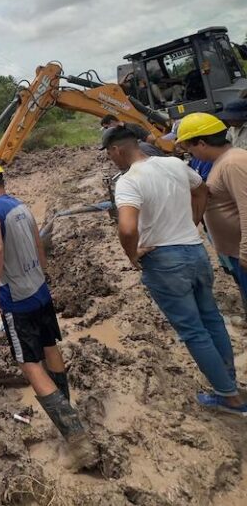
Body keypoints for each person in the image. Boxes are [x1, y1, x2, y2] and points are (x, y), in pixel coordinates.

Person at [103, 126, 246, 415]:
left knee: (193, 331)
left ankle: (229, 397)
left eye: (109, 154)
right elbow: (201, 190)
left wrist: (132, 254)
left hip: (164, 261)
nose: (111, 159)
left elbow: (127, 228)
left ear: (116, 150)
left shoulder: (129, 181)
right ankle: (230, 383)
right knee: (212, 320)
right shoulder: (174, 164)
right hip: (195, 251)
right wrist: (193, 220)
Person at [0, 159, 98, 468]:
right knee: (49, 346)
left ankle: (78, 441)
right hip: (39, 290)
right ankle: (66, 410)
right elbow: (40, 247)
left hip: (17, 300)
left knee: (29, 363)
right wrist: (39, 275)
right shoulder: (20, 205)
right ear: (2, 179)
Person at [175, 113, 247, 316]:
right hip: (234, 251)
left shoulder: (233, 163)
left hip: (241, 251)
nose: (190, 153)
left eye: (190, 148)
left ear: (202, 143)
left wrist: (246, 251)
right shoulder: (222, 162)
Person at [99, 114, 165, 157]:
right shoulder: (119, 132)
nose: (107, 130)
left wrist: (144, 151)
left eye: (106, 127)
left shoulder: (132, 127)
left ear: (112, 122)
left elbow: (151, 138)